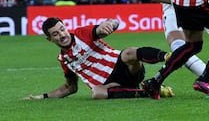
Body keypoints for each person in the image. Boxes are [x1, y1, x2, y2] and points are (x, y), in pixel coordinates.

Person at [24, 17, 173, 100]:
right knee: (97, 93)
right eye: (55, 34)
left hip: (126, 68)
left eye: (62, 29)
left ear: (65, 27)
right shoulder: (64, 60)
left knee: (128, 53)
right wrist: (42, 97)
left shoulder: (82, 33)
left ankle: (167, 57)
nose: (62, 35)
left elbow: (111, 24)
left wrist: (108, 24)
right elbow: (71, 88)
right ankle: (148, 92)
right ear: (49, 39)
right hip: (111, 85)